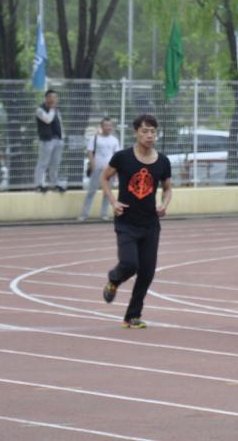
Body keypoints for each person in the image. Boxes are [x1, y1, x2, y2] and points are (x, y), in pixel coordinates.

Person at [100, 114, 172, 329]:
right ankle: (114, 279)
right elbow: (104, 178)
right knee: (130, 264)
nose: (149, 135)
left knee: (147, 272)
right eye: (145, 131)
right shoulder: (122, 157)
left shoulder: (163, 161)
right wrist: (113, 202)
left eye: (153, 132)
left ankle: (132, 316)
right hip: (127, 222)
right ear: (135, 133)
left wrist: (164, 204)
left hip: (150, 224)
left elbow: (167, 188)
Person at [80, 117, 119, 221]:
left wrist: (115, 170)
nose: (108, 127)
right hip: (96, 169)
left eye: (110, 125)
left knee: (107, 193)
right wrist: (93, 165)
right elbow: (90, 152)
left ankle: (104, 214)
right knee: (91, 191)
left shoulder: (114, 140)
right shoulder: (95, 138)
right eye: (106, 125)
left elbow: (116, 155)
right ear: (102, 127)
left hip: (109, 171)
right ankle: (84, 214)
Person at [34, 89, 66, 193]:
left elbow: (60, 124)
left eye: (55, 97)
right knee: (43, 163)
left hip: (58, 140)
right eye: (51, 97)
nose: (53, 100)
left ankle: (54, 184)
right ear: (46, 98)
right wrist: (52, 109)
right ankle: (38, 184)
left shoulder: (57, 110)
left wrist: (62, 137)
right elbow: (47, 119)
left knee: (55, 164)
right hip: (47, 140)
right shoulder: (40, 110)